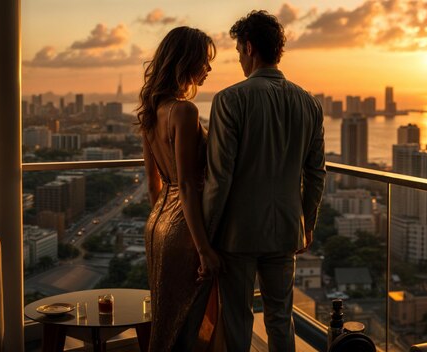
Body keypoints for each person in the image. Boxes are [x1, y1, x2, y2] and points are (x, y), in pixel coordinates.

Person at [203, 10, 326, 352]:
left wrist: (207, 237)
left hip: (236, 234)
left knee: (237, 319)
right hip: (287, 229)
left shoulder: (229, 99)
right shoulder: (309, 104)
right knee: (280, 317)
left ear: (249, 47)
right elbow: (316, 173)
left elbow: (219, 177)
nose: (239, 59)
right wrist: (308, 223)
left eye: (238, 52)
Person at [138, 26, 221, 352]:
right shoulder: (184, 111)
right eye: (205, 61)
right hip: (186, 230)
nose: (209, 69)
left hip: (158, 224)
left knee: (166, 318)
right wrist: (203, 249)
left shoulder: (150, 112)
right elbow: (187, 183)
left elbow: (153, 183)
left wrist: (164, 226)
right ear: (187, 61)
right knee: (188, 327)